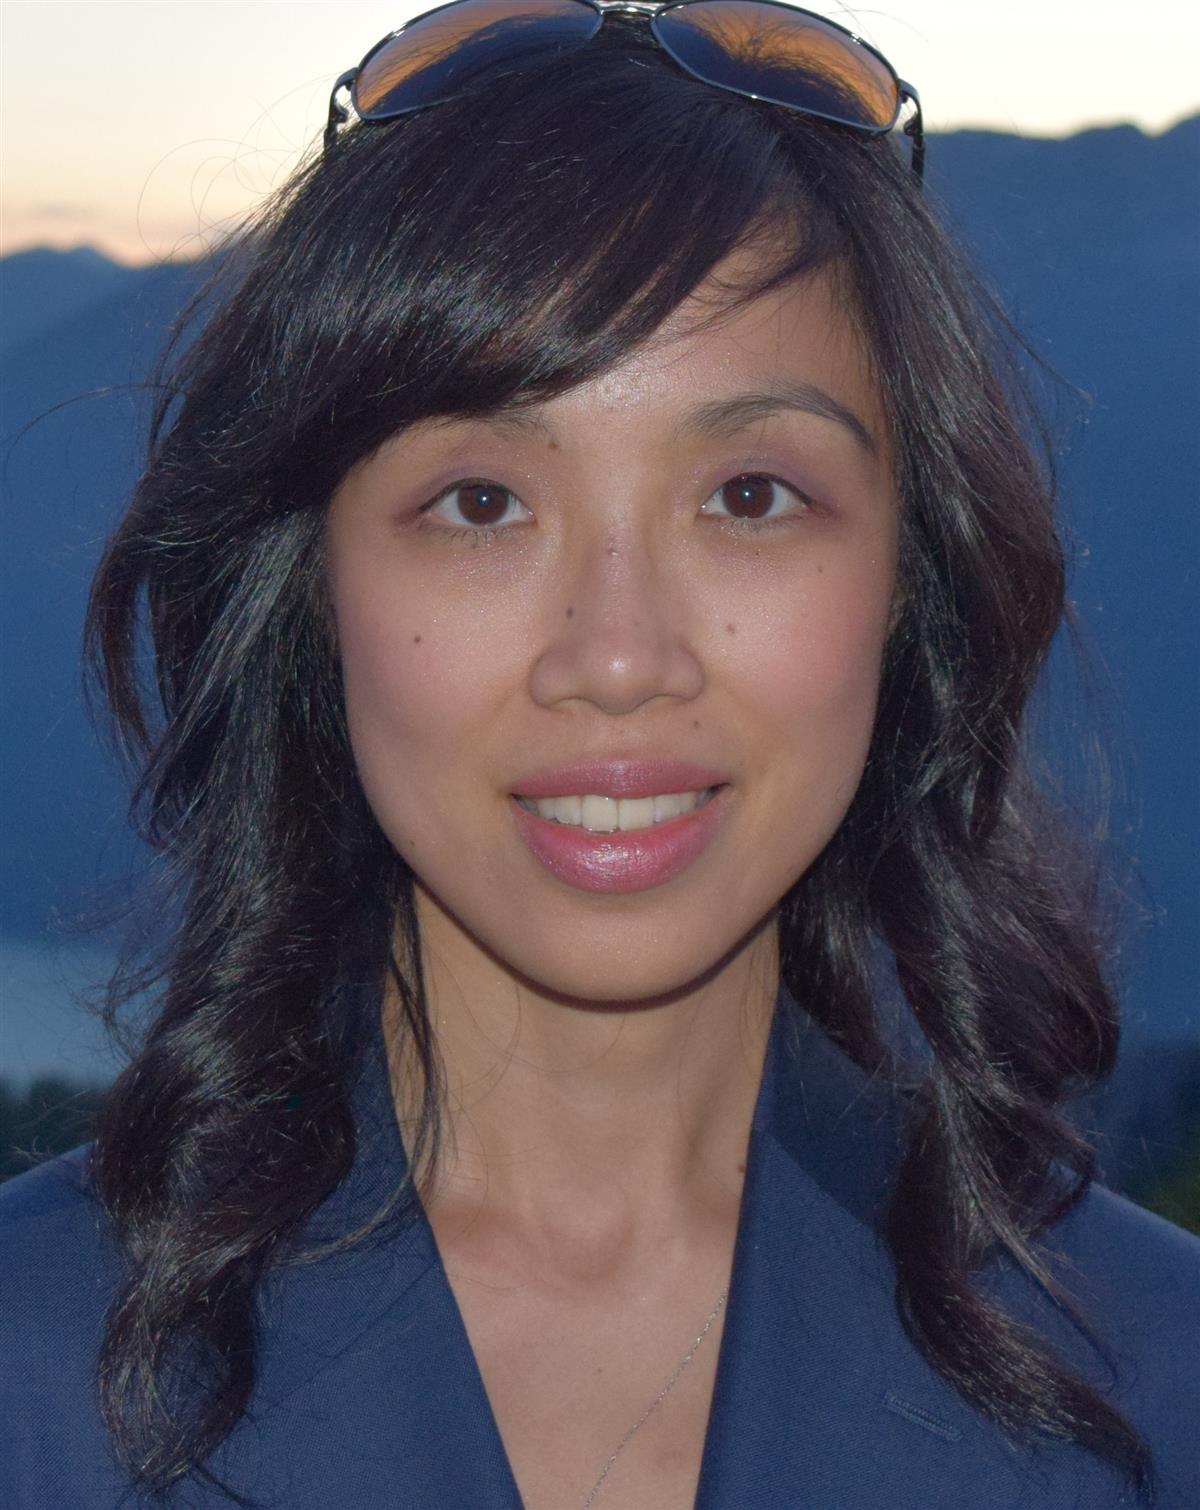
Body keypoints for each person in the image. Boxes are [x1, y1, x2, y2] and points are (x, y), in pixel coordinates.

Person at [2, 3, 1197, 1507]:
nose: (620, 657)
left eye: (750, 496)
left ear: (910, 585)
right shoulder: (35, 1384)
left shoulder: (1155, 1391)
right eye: (482, 503)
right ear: (315, 593)